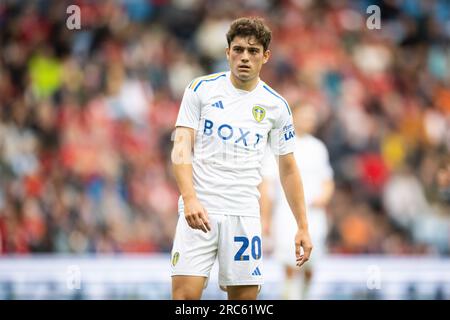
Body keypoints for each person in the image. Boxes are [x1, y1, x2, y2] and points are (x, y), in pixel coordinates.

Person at [170, 17, 312, 300]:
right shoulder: (200, 90)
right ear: (227, 53)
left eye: (253, 51)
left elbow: (288, 170)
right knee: (184, 299)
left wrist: (303, 226)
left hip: (245, 215)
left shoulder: (276, 106)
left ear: (266, 56)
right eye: (238, 50)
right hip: (200, 208)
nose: (244, 57)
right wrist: (190, 197)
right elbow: (182, 147)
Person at [261, 103, 335, 300]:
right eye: (305, 116)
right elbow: (266, 185)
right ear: (292, 117)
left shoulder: (318, 148)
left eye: (312, 117)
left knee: (311, 266)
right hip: (285, 216)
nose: (310, 120)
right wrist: (265, 219)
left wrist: (323, 197)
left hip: (314, 217)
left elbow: (328, 181)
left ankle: (303, 296)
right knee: (290, 265)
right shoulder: (278, 145)